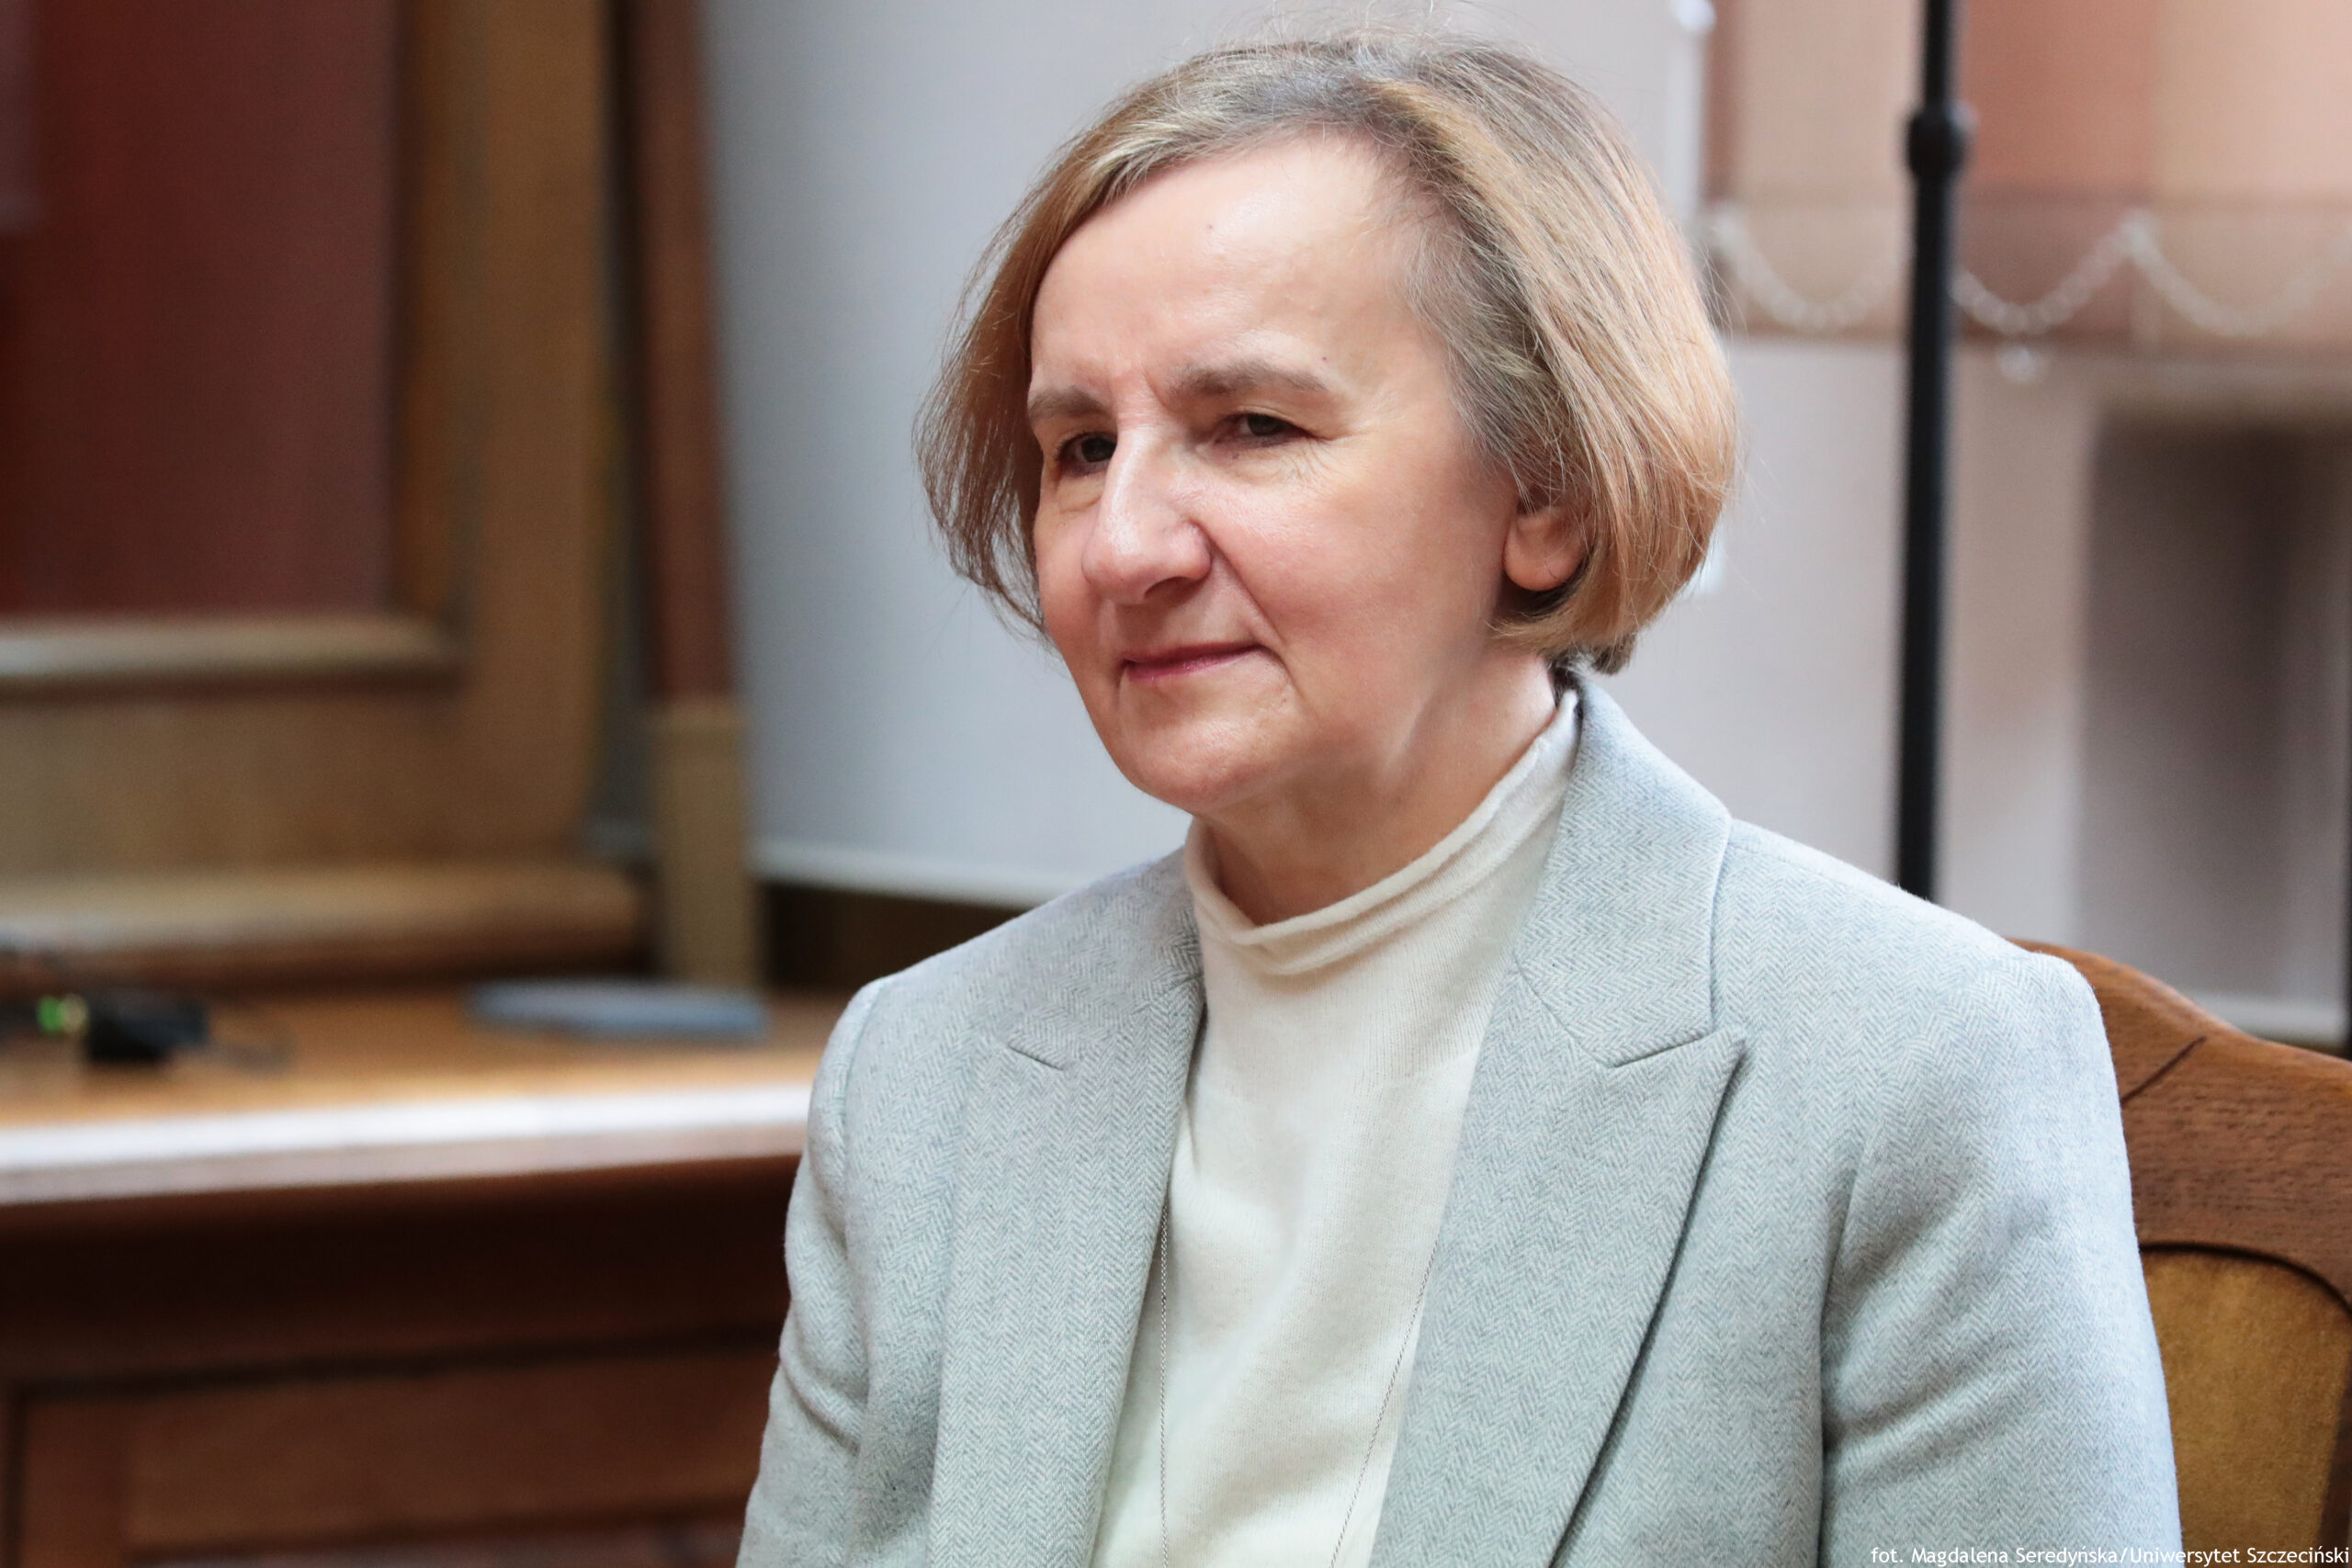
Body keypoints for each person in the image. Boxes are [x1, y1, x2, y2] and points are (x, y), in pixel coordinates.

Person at [738, 30, 2178, 1568]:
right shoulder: (924, 1080)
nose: (1123, 545)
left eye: (1253, 426)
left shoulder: (1910, 1071)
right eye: (1080, 448)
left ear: (1545, 493)